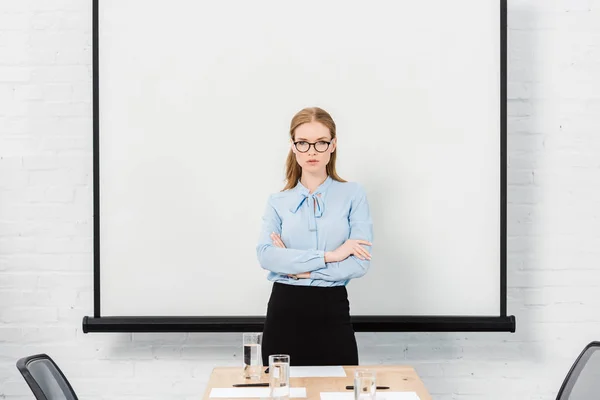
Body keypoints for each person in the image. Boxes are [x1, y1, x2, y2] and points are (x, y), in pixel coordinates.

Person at [256, 106, 373, 367]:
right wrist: (331, 256)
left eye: (320, 143)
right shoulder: (277, 201)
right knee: (282, 393)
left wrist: (299, 270)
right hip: (284, 311)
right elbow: (266, 256)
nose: (312, 151)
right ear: (293, 146)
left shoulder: (353, 194)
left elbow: (359, 263)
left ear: (333, 145)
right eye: (303, 143)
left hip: (332, 310)